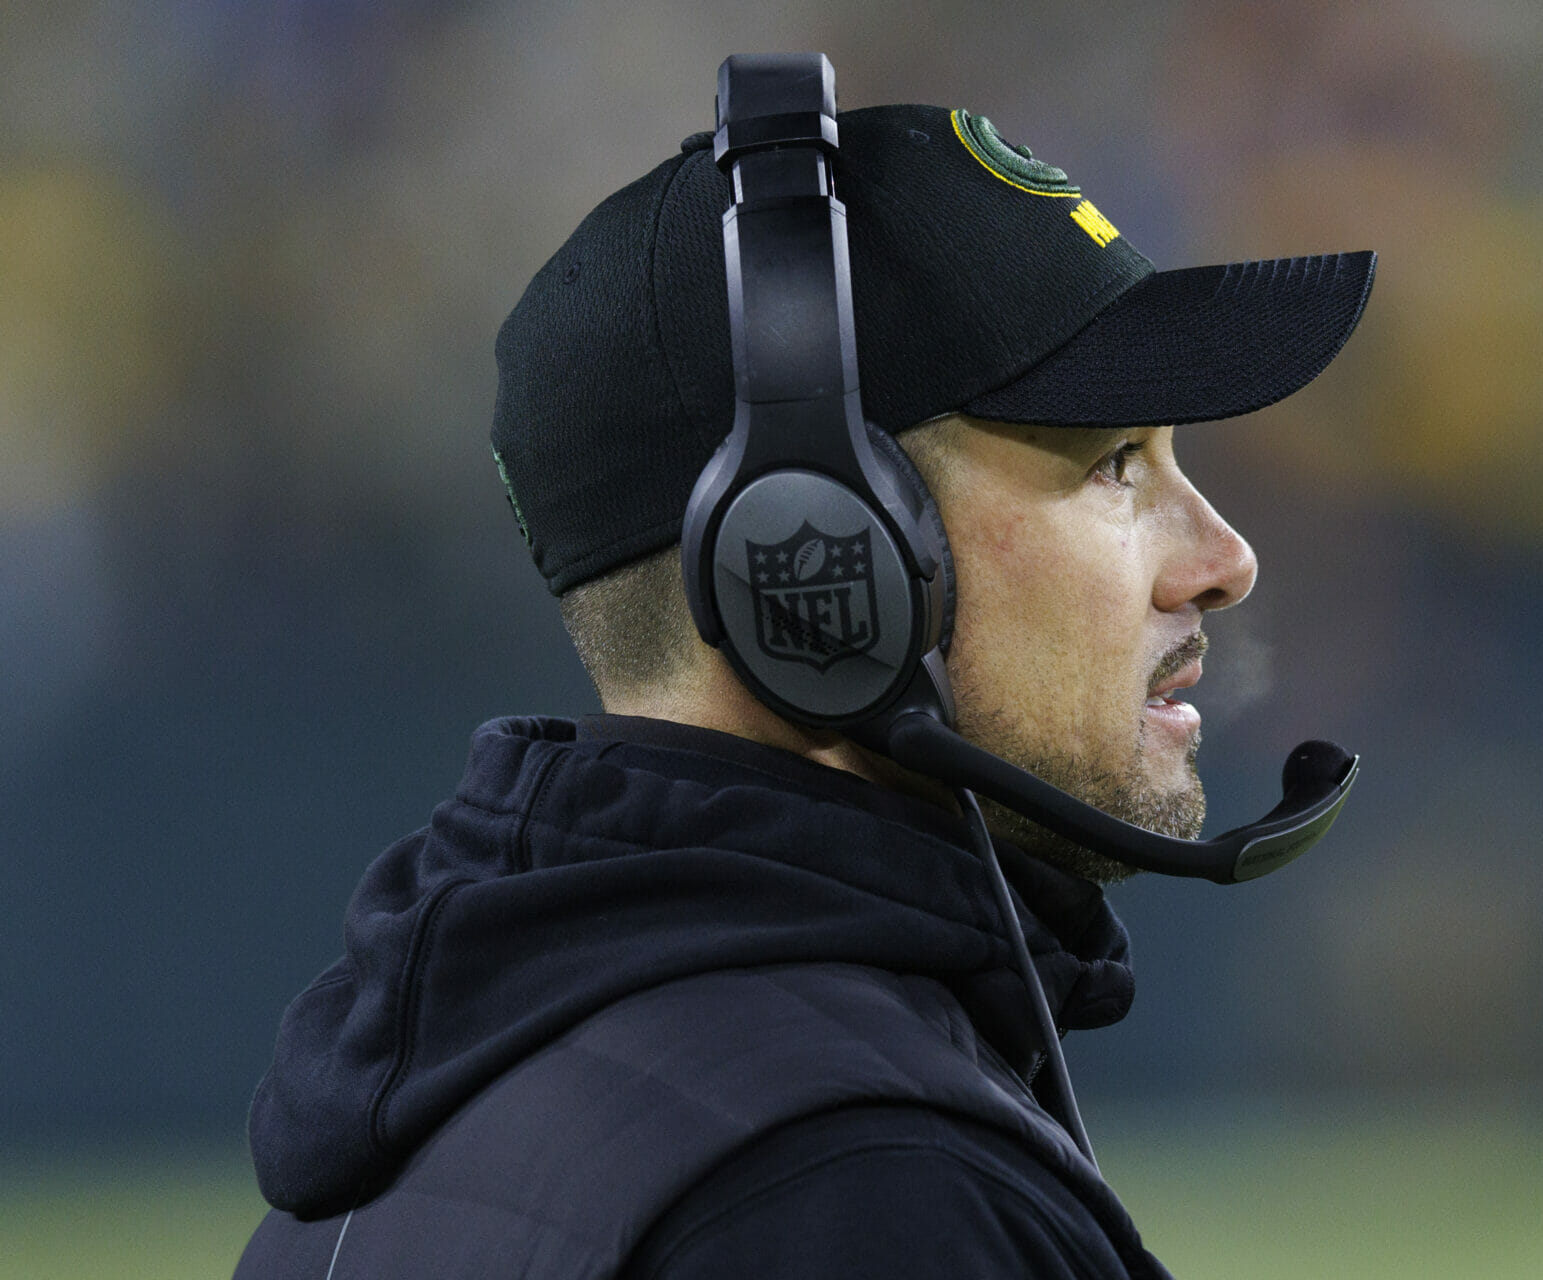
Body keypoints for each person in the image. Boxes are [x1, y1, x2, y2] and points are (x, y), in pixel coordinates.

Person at [234, 82, 1373, 1279]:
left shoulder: (427, 1117)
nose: (1224, 560)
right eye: (1114, 466)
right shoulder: (873, 1196)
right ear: (822, 556)